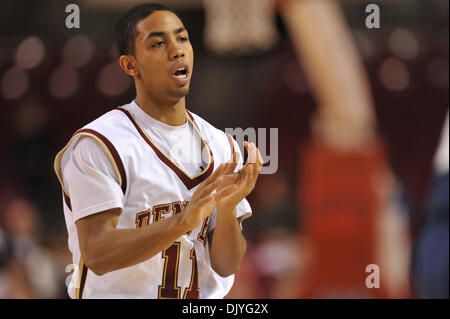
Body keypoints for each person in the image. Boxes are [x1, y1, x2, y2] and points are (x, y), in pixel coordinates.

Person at [53, 3, 263, 299]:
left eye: (182, 38)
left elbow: (227, 265)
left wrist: (228, 208)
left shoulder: (222, 145)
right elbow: (98, 254)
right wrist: (183, 221)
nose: (176, 50)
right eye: (158, 43)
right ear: (130, 65)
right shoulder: (98, 143)